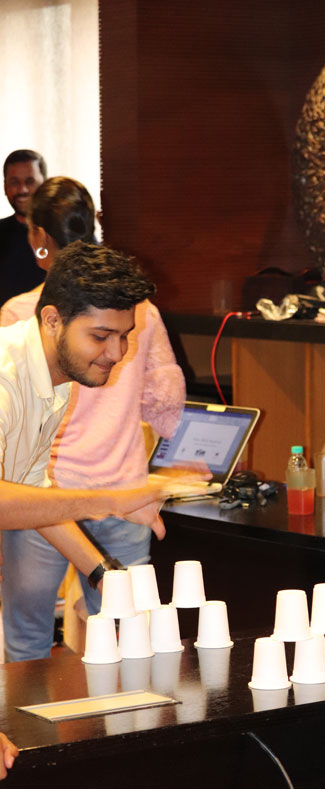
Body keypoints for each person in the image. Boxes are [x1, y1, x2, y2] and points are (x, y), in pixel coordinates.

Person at [0, 176, 185, 661]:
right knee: (26, 651)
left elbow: (34, 494)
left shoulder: (55, 380)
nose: (117, 354)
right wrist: (110, 500)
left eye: (124, 336)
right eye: (101, 336)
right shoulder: (5, 378)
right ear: (52, 320)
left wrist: (103, 574)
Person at [0, 149, 46, 304]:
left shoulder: (62, 230)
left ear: (44, 184)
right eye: (14, 182)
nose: (22, 190)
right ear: (5, 187)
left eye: (30, 181)